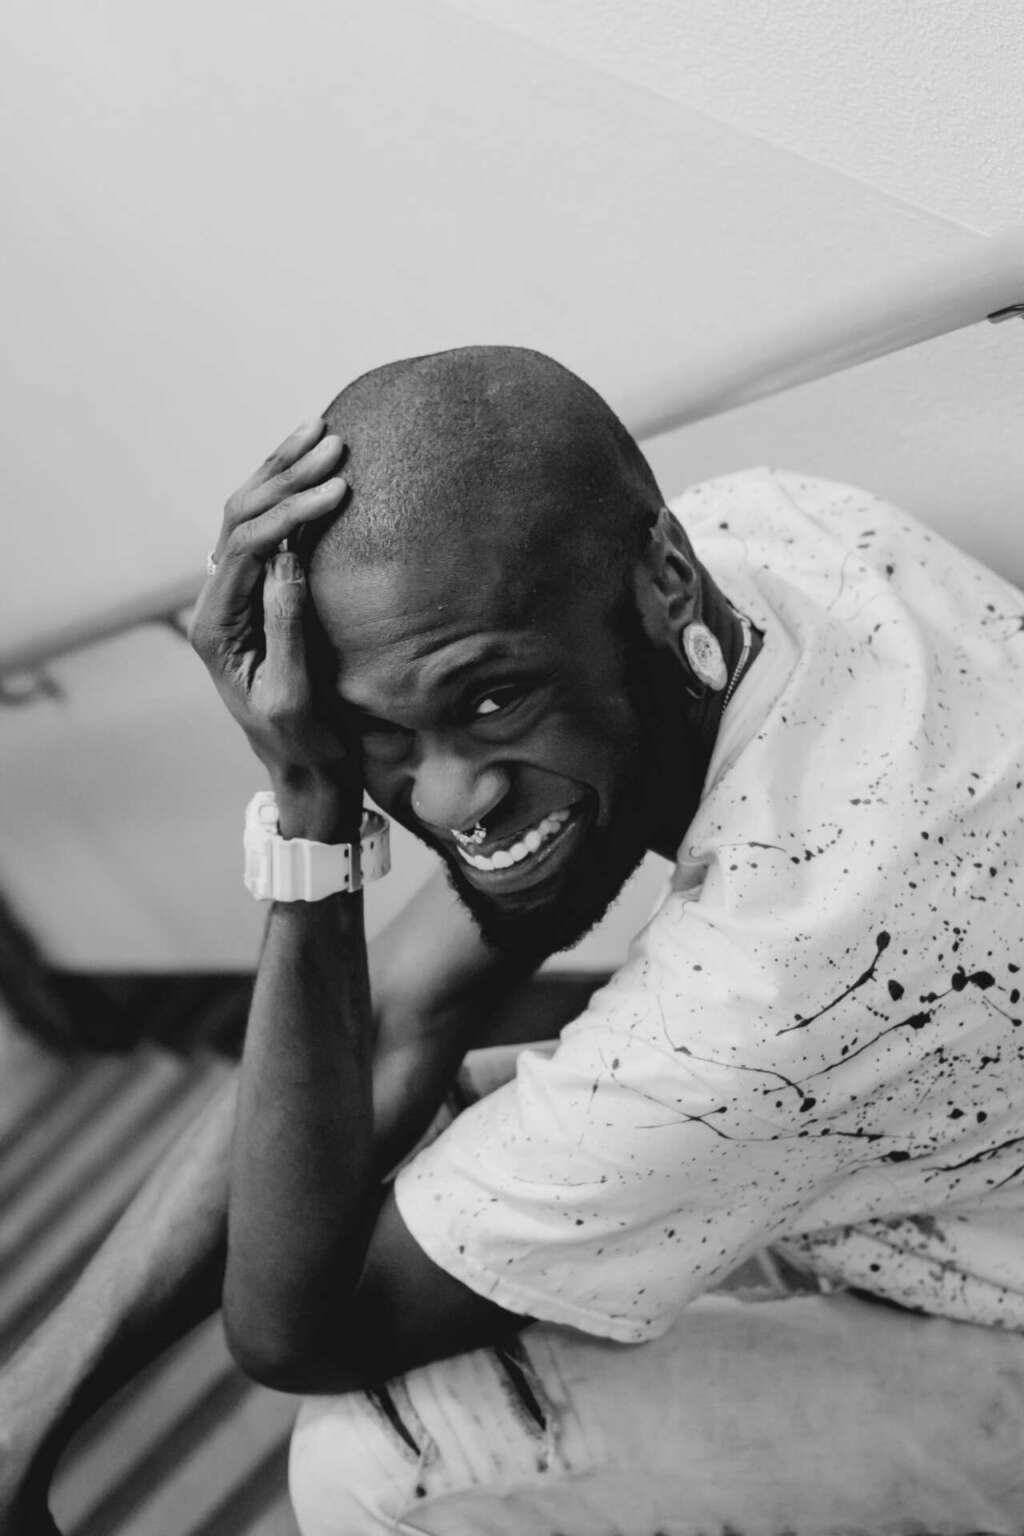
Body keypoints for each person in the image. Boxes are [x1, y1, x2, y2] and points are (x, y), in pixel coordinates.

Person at [4, 344, 1024, 1535]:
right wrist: (28, 1409)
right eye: (376, 733)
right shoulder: (774, 530)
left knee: (377, 1462)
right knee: (390, 1117)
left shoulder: (774, 993)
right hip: (935, 1147)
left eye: (491, 700)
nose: (448, 798)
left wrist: (312, 815)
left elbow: (293, 1331)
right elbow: (397, 1016)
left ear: (665, 583)